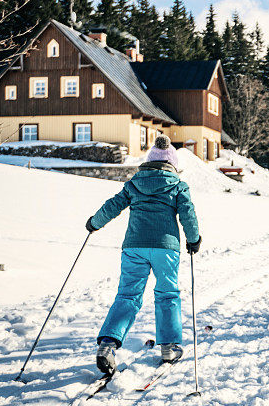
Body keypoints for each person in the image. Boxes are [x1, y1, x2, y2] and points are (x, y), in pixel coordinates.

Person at [85, 134, 202, 375]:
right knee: (167, 293)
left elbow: (113, 205)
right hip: (166, 249)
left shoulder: (134, 183)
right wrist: (193, 239)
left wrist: (94, 223)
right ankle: (169, 346)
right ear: (172, 165)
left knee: (127, 295)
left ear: (149, 162)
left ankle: (107, 344)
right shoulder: (178, 185)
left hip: (134, 247)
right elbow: (187, 214)